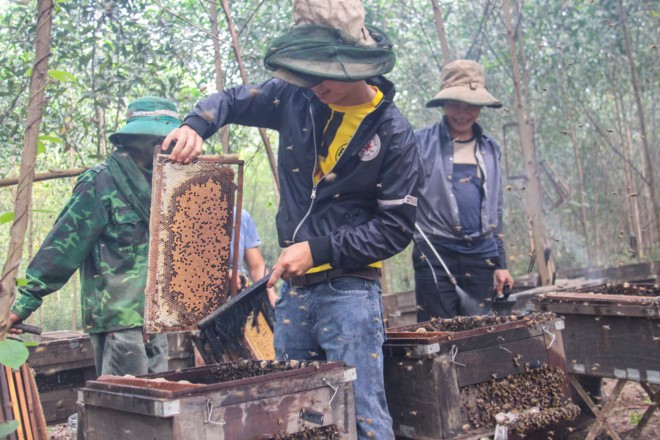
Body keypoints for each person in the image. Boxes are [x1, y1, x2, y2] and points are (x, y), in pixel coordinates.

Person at [162, 1, 420, 437]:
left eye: (322, 72)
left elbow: (395, 229)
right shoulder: (294, 96)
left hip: (351, 293)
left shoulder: (393, 133)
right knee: (298, 417)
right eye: (304, 71)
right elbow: (231, 100)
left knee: (362, 414)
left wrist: (318, 249)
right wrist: (195, 125)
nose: (313, 84)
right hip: (295, 296)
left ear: (354, 65)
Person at [9, 97, 177, 377]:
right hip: (119, 323)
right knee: (123, 406)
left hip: (157, 319)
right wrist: (22, 304)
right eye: (168, 140)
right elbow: (63, 246)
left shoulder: (169, 181)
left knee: (159, 406)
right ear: (146, 140)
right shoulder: (100, 182)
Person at [413, 59, 514, 321]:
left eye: (470, 105)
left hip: (480, 254)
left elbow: (496, 209)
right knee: (437, 331)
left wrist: (501, 264)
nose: (462, 112)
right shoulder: (420, 144)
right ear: (443, 104)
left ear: (480, 106)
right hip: (435, 252)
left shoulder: (490, 149)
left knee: (480, 333)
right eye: (455, 104)